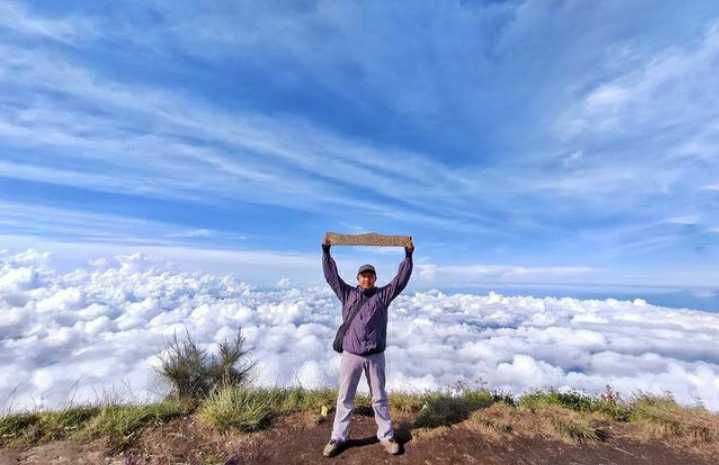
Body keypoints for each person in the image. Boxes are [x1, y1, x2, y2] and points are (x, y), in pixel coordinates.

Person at [321, 235, 414, 457]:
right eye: (363, 276)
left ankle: (386, 436)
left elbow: (400, 280)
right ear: (357, 278)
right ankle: (338, 437)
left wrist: (408, 256)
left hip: (375, 356)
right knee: (345, 398)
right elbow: (331, 277)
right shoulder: (347, 294)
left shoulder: (383, 296)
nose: (366, 279)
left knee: (379, 397)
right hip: (351, 355)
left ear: (374, 279)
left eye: (370, 276)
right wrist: (326, 253)